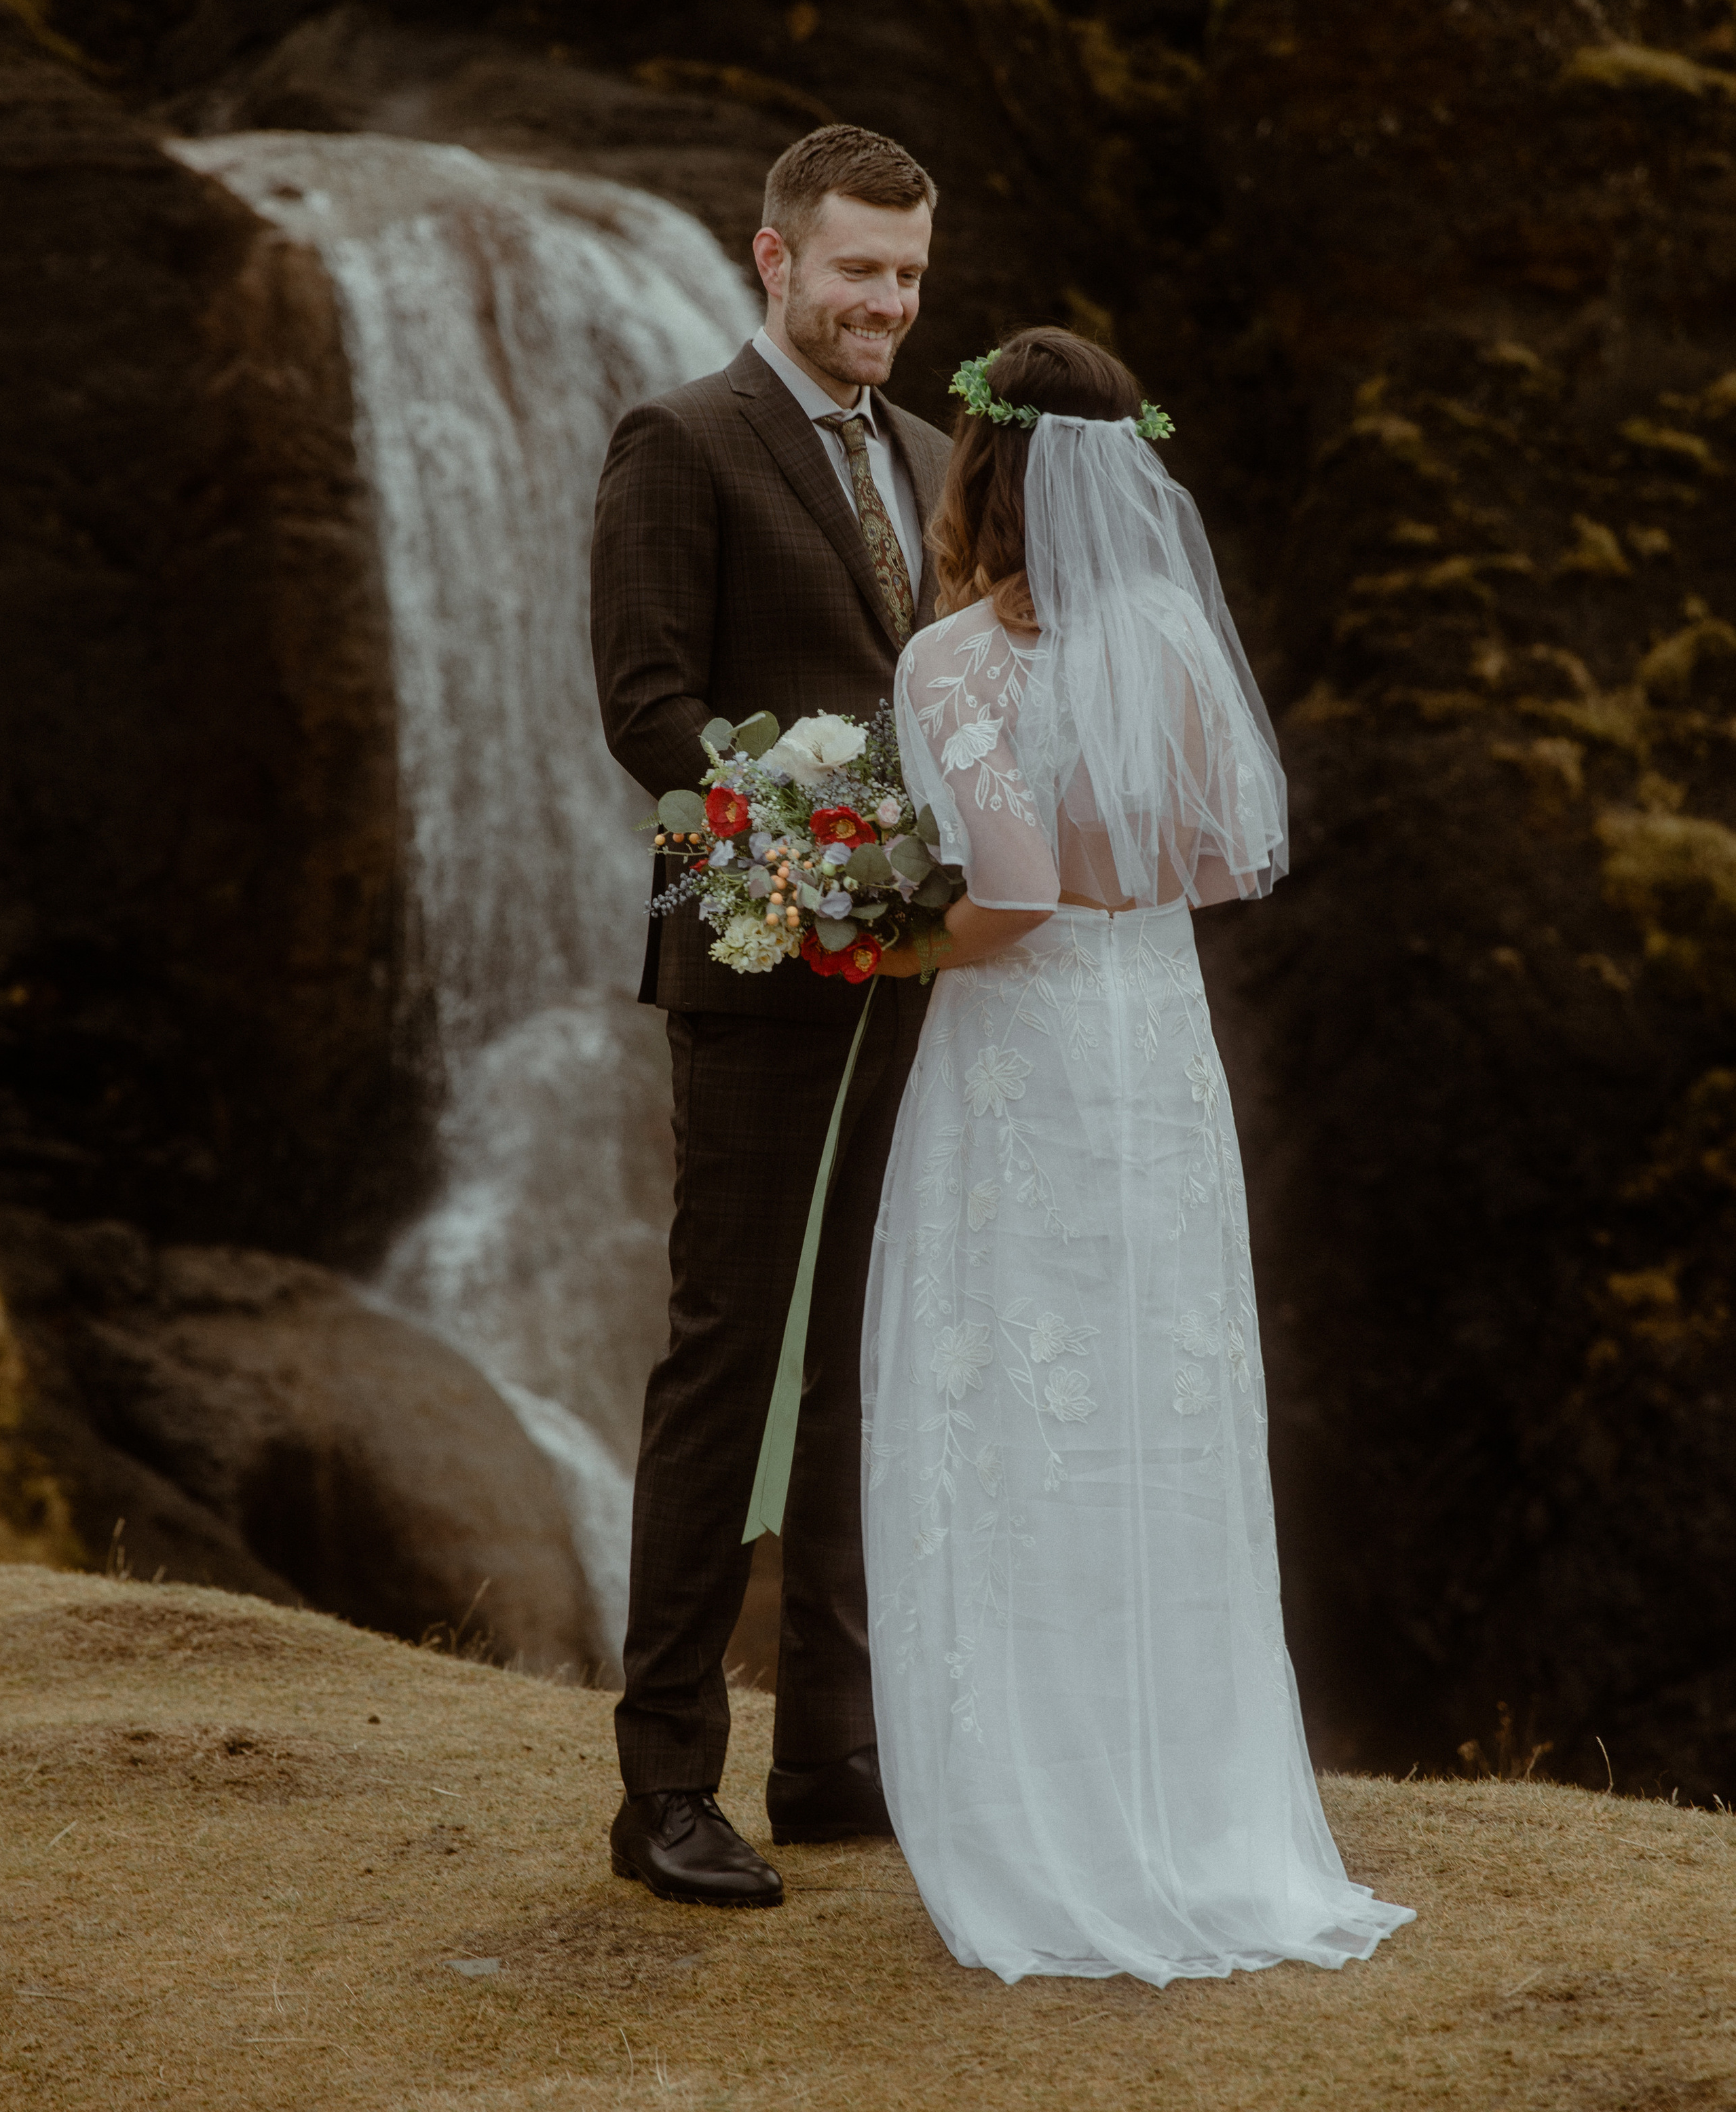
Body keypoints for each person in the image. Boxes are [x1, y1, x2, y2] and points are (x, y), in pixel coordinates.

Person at [863, 328, 1416, 1984]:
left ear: (982, 467)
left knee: (1008, 1411)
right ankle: (1193, 1809)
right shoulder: (1173, 633)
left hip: (1018, 1059)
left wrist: (868, 949)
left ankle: (1045, 1821)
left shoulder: (953, 665)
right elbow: (1206, 854)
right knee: (1153, 1414)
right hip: (1153, 1053)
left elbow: (1012, 898)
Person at [590, 124, 952, 1907]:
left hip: (918, 976)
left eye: (906, 276)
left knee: (870, 1354)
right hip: (749, 955)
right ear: (774, 259)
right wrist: (833, 845)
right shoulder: (683, 439)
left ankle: (831, 1756)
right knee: (727, 1356)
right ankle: (664, 1787)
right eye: (854, 272)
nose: (882, 303)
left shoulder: (942, 457)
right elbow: (649, 713)